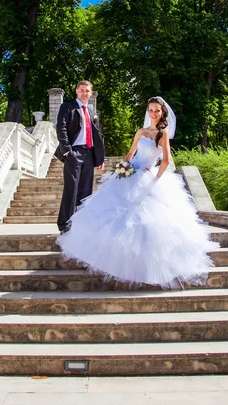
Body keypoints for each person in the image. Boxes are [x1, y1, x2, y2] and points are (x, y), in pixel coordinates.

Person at [57, 96, 217, 289]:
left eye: (157, 110)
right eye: (150, 110)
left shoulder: (163, 133)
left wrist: (155, 178)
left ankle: (146, 267)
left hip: (150, 175)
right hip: (131, 172)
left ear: (163, 112)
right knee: (114, 215)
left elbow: (166, 159)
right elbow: (131, 153)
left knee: (146, 222)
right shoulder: (141, 131)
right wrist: (121, 170)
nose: (153, 113)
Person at [55, 80, 105, 234]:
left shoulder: (92, 112)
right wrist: (67, 150)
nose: (84, 93)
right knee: (71, 188)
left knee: (86, 190)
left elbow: (98, 135)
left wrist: (100, 158)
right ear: (77, 91)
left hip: (89, 154)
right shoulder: (68, 107)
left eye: (87, 91)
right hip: (74, 152)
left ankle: (82, 222)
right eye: (82, 90)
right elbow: (61, 127)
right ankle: (65, 224)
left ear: (91, 93)